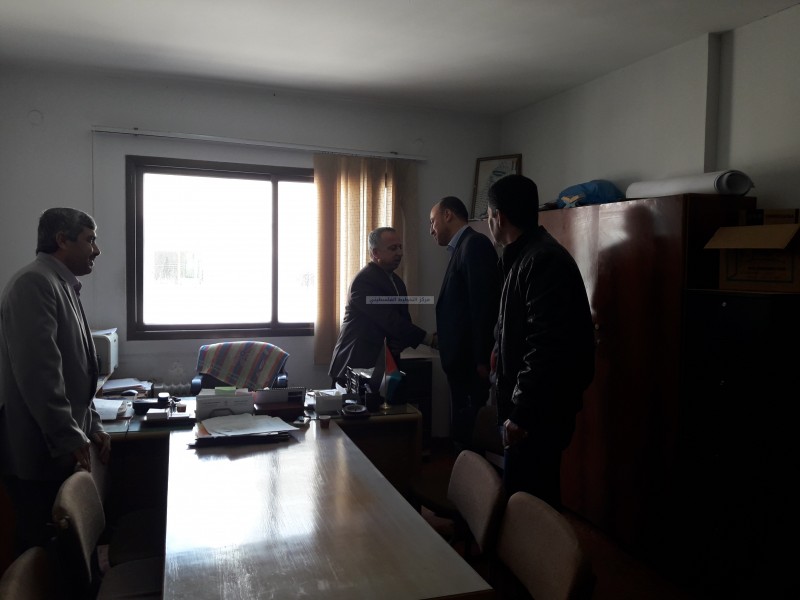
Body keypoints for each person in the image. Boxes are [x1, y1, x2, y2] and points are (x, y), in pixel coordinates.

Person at [0, 207, 110, 554]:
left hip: (60, 445)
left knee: (67, 557)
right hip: (40, 452)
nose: (96, 250)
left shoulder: (61, 284)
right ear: (62, 240)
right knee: (43, 555)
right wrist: (68, 434)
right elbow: (40, 375)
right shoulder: (34, 283)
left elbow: (79, 373)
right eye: (90, 240)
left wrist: (92, 424)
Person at [485, 175, 595, 509]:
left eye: (488, 214)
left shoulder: (541, 260)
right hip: (531, 407)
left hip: (537, 413)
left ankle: (540, 546)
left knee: (530, 505)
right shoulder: (521, 256)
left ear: (498, 217)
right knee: (523, 496)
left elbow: (546, 346)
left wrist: (521, 412)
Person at [429, 196, 500, 449]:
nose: (431, 230)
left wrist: (482, 359)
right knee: (461, 428)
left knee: (469, 431)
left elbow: (483, 306)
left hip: (470, 363)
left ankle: (472, 472)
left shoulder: (475, 244)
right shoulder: (462, 247)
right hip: (461, 361)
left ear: (448, 215)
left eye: (433, 221)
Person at [329, 226, 434, 388]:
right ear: (375, 253)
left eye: (400, 247)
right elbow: (389, 320)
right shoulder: (364, 281)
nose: (399, 253)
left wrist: (404, 342)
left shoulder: (397, 282)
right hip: (355, 365)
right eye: (393, 248)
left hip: (383, 366)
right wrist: (428, 339)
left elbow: (403, 321)